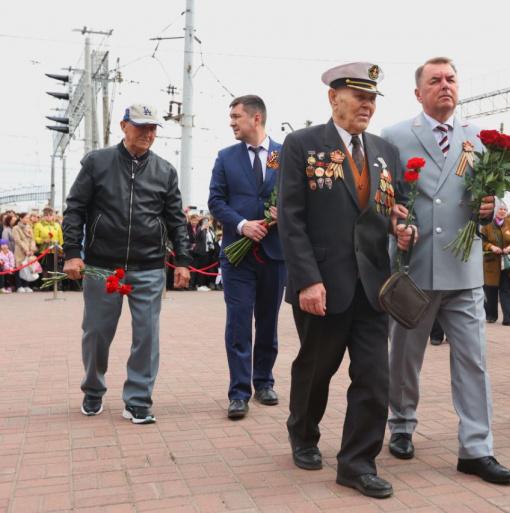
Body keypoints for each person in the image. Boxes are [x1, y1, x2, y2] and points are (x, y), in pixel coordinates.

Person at [278, 62, 415, 499]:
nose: (367, 106)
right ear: (333, 97)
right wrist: (307, 280)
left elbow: (395, 206)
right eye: (360, 97)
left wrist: (401, 226)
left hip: (372, 286)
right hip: (322, 284)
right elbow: (291, 217)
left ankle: (357, 463)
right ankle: (302, 432)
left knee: (375, 378)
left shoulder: (384, 151)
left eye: (372, 99)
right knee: (316, 369)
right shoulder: (302, 145)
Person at [383, 56, 510, 484]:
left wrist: (492, 207)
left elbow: (496, 199)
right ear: (418, 92)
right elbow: (383, 200)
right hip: (415, 268)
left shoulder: (478, 138)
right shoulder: (394, 137)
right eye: (435, 80)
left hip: (464, 270)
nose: (445, 85)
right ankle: (401, 424)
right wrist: (394, 225)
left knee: (473, 361)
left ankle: (477, 448)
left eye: (451, 79)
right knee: (405, 358)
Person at [62, 103, 191, 424]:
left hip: (149, 267)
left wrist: (183, 261)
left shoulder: (165, 171)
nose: (148, 133)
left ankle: (138, 400)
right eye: (141, 126)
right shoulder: (97, 162)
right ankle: (93, 389)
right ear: (124, 126)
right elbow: (75, 208)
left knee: (147, 335)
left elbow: (176, 220)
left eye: (153, 128)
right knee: (96, 332)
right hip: (103, 266)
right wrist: (72, 252)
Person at [208, 94, 286, 420]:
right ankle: (239, 392)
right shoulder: (226, 157)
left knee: (268, 322)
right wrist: (242, 225)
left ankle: (264, 382)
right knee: (239, 322)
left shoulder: (283, 156)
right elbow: (215, 201)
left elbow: (300, 197)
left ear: (256, 118)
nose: (232, 123)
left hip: (275, 254)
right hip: (237, 256)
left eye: (236, 117)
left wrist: (284, 214)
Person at [480, 200, 510, 326]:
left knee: (506, 290)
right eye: (500, 209)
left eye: (505, 209)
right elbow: (481, 242)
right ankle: (491, 315)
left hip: (508, 264)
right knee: (491, 290)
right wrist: (491, 247)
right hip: (491, 263)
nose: (503, 211)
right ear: (495, 210)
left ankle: (508, 318)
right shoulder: (486, 225)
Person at [11, 212, 37, 293]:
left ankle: (26, 285)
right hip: (20, 251)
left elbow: (32, 239)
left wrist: (32, 249)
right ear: (21, 218)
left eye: (28, 218)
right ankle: (19, 286)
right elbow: (18, 240)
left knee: (28, 268)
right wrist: (26, 250)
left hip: (29, 250)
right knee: (19, 268)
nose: (27, 219)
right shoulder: (15, 228)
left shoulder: (29, 227)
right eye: (26, 218)